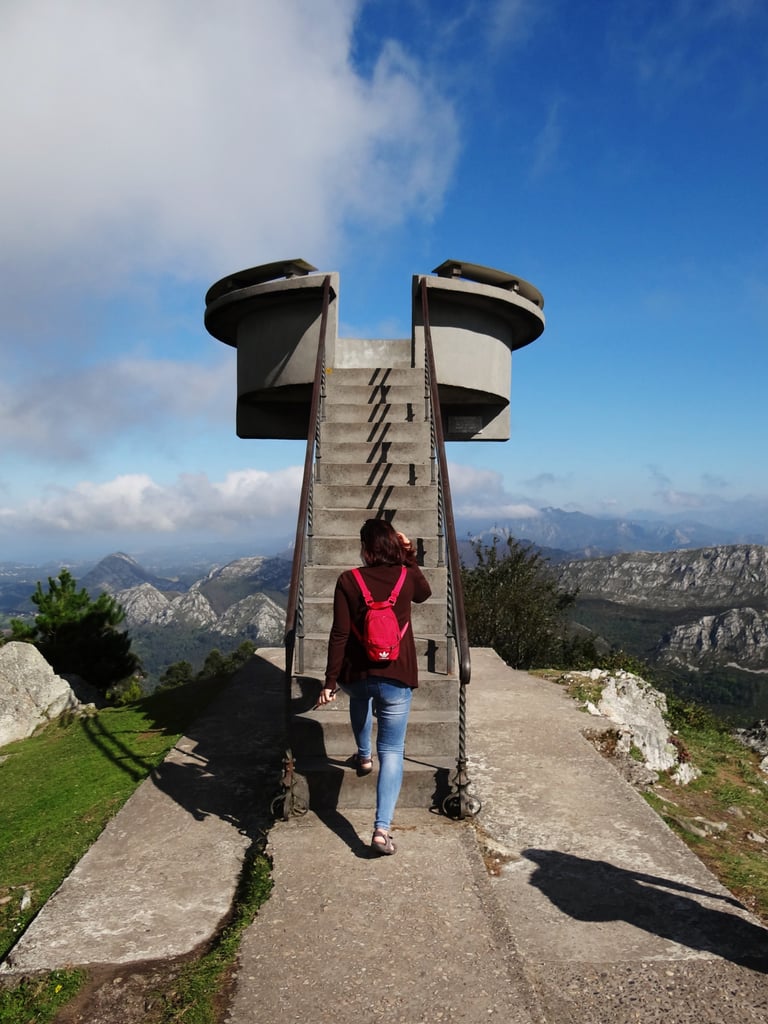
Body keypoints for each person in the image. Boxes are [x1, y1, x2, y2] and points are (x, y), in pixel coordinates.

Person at [318, 518, 431, 855]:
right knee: (393, 750)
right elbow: (425, 594)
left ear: (365, 549)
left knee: (360, 700)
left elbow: (339, 634)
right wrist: (409, 555)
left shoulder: (348, 580)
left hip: (357, 674)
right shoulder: (406, 576)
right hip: (397, 675)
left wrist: (330, 681)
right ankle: (382, 830)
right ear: (394, 545)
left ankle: (363, 756)